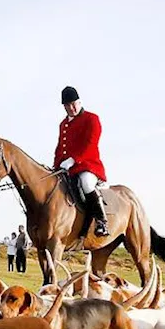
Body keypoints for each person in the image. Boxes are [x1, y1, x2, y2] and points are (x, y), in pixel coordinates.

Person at [54, 86, 109, 237]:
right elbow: (60, 147)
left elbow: (91, 144)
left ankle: (101, 221)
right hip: (67, 168)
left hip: (88, 165)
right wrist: (56, 165)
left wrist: (73, 160)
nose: (71, 108)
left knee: (86, 183)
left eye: (74, 104)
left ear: (79, 102)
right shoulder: (63, 124)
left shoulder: (92, 119)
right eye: (67, 106)